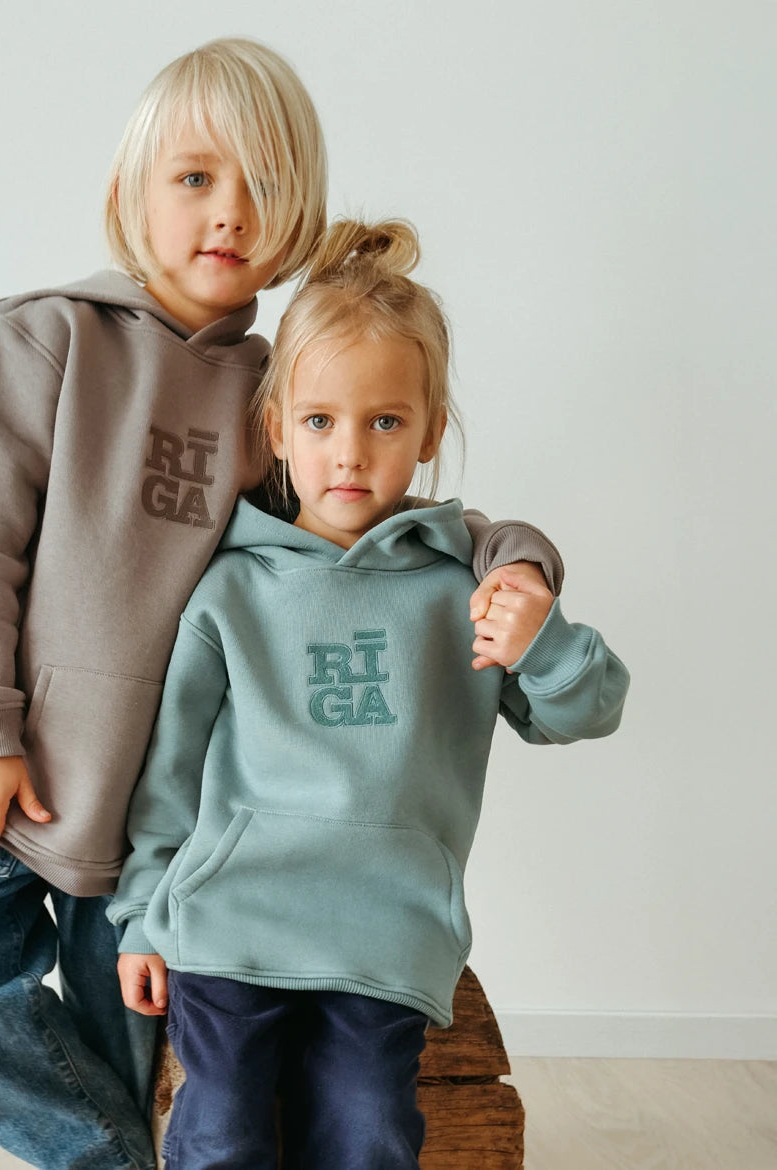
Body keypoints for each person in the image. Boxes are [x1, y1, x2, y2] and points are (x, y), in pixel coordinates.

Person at [0, 38, 565, 1170]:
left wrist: (522, 560)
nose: (229, 212)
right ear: (132, 195)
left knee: (133, 1031)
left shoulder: (275, 392)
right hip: (8, 766)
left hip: (150, 805)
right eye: (196, 178)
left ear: (299, 217)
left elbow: (380, 518)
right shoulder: (55, 340)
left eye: (263, 186)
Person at [110, 218, 629, 1170]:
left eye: (384, 422)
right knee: (219, 1129)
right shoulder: (229, 588)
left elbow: (584, 712)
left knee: (370, 1133)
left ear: (429, 432)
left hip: (386, 931)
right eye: (320, 421)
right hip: (232, 919)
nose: (349, 452)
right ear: (276, 428)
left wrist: (543, 640)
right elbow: (169, 772)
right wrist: (143, 915)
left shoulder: (463, 589)